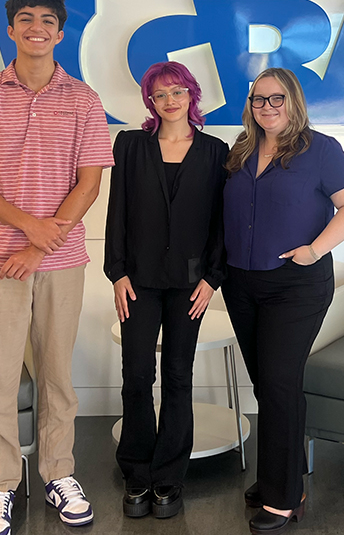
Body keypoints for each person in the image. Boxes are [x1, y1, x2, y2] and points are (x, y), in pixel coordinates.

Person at [0, 0, 114, 535]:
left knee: (58, 377)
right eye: (25, 19)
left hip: (60, 261)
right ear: (11, 30)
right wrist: (25, 229)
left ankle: (59, 473)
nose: (36, 27)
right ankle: (0, 487)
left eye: (47, 20)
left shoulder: (83, 100)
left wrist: (39, 243)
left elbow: (90, 182)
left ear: (61, 33)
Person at [222, 68, 344, 535]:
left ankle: (284, 499)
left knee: (281, 383)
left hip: (296, 284)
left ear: (293, 101)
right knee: (269, 385)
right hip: (242, 282)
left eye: (276, 99)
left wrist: (315, 250)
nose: (266, 108)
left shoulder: (321, 149)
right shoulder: (241, 150)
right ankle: (281, 476)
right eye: (258, 100)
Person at [104, 61, 228, 519]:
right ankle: (137, 472)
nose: (170, 100)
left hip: (189, 284)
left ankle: (169, 478)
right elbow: (117, 211)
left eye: (178, 91)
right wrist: (116, 272)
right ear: (150, 102)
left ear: (192, 95)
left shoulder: (216, 151)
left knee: (179, 376)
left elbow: (221, 222)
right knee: (137, 375)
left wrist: (213, 279)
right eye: (160, 94)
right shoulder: (131, 146)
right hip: (137, 281)